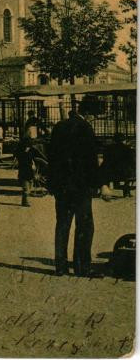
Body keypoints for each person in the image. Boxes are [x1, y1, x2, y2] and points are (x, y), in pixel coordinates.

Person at [47, 106, 108, 277]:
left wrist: (53, 184)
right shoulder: (85, 128)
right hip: (80, 187)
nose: (93, 119)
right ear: (87, 113)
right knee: (85, 226)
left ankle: (60, 267)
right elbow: (90, 160)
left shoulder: (59, 127)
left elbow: (51, 156)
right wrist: (99, 184)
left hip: (62, 187)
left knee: (62, 225)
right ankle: (82, 267)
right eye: (93, 116)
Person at [15, 135, 35, 207]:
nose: (27, 148)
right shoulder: (21, 154)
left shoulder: (30, 152)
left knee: (29, 188)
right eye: (26, 146)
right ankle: (25, 202)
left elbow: (32, 160)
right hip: (24, 174)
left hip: (29, 173)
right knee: (26, 189)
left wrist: (33, 164)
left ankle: (24, 201)